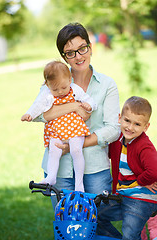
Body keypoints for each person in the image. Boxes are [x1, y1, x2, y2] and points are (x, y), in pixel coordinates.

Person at [33, 22, 120, 208]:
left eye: (82, 48)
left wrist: (72, 145)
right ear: (64, 57)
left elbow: (113, 129)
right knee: (66, 224)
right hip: (60, 170)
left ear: (90, 47)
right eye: (70, 53)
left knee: (99, 223)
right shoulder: (54, 81)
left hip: (95, 167)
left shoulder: (107, 84)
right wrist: (74, 106)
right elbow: (40, 114)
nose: (78, 56)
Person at [21, 60, 97, 192]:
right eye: (55, 89)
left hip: (74, 128)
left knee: (76, 150)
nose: (60, 92)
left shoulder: (75, 89)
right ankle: (51, 177)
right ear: (47, 84)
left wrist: (89, 106)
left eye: (63, 87)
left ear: (69, 79)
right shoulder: (47, 94)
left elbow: (89, 99)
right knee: (54, 150)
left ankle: (79, 184)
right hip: (56, 130)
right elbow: (37, 105)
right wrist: (29, 114)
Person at [96, 96, 157, 240]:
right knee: (93, 214)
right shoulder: (117, 140)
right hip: (122, 195)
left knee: (130, 234)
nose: (130, 127)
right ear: (120, 118)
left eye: (137, 124)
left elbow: (154, 170)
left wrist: (142, 181)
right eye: (127, 121)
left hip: (141, 198)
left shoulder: (144, 146)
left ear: (145, 127)